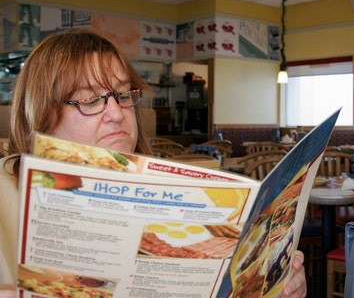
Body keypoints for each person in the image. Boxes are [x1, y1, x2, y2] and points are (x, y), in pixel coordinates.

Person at [0, 29, 307, 297]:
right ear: (40, 115)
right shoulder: (5, 196)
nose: (118, 113)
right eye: (90, 100)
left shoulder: (181, 194)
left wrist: (276, 289)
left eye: (122, 95)